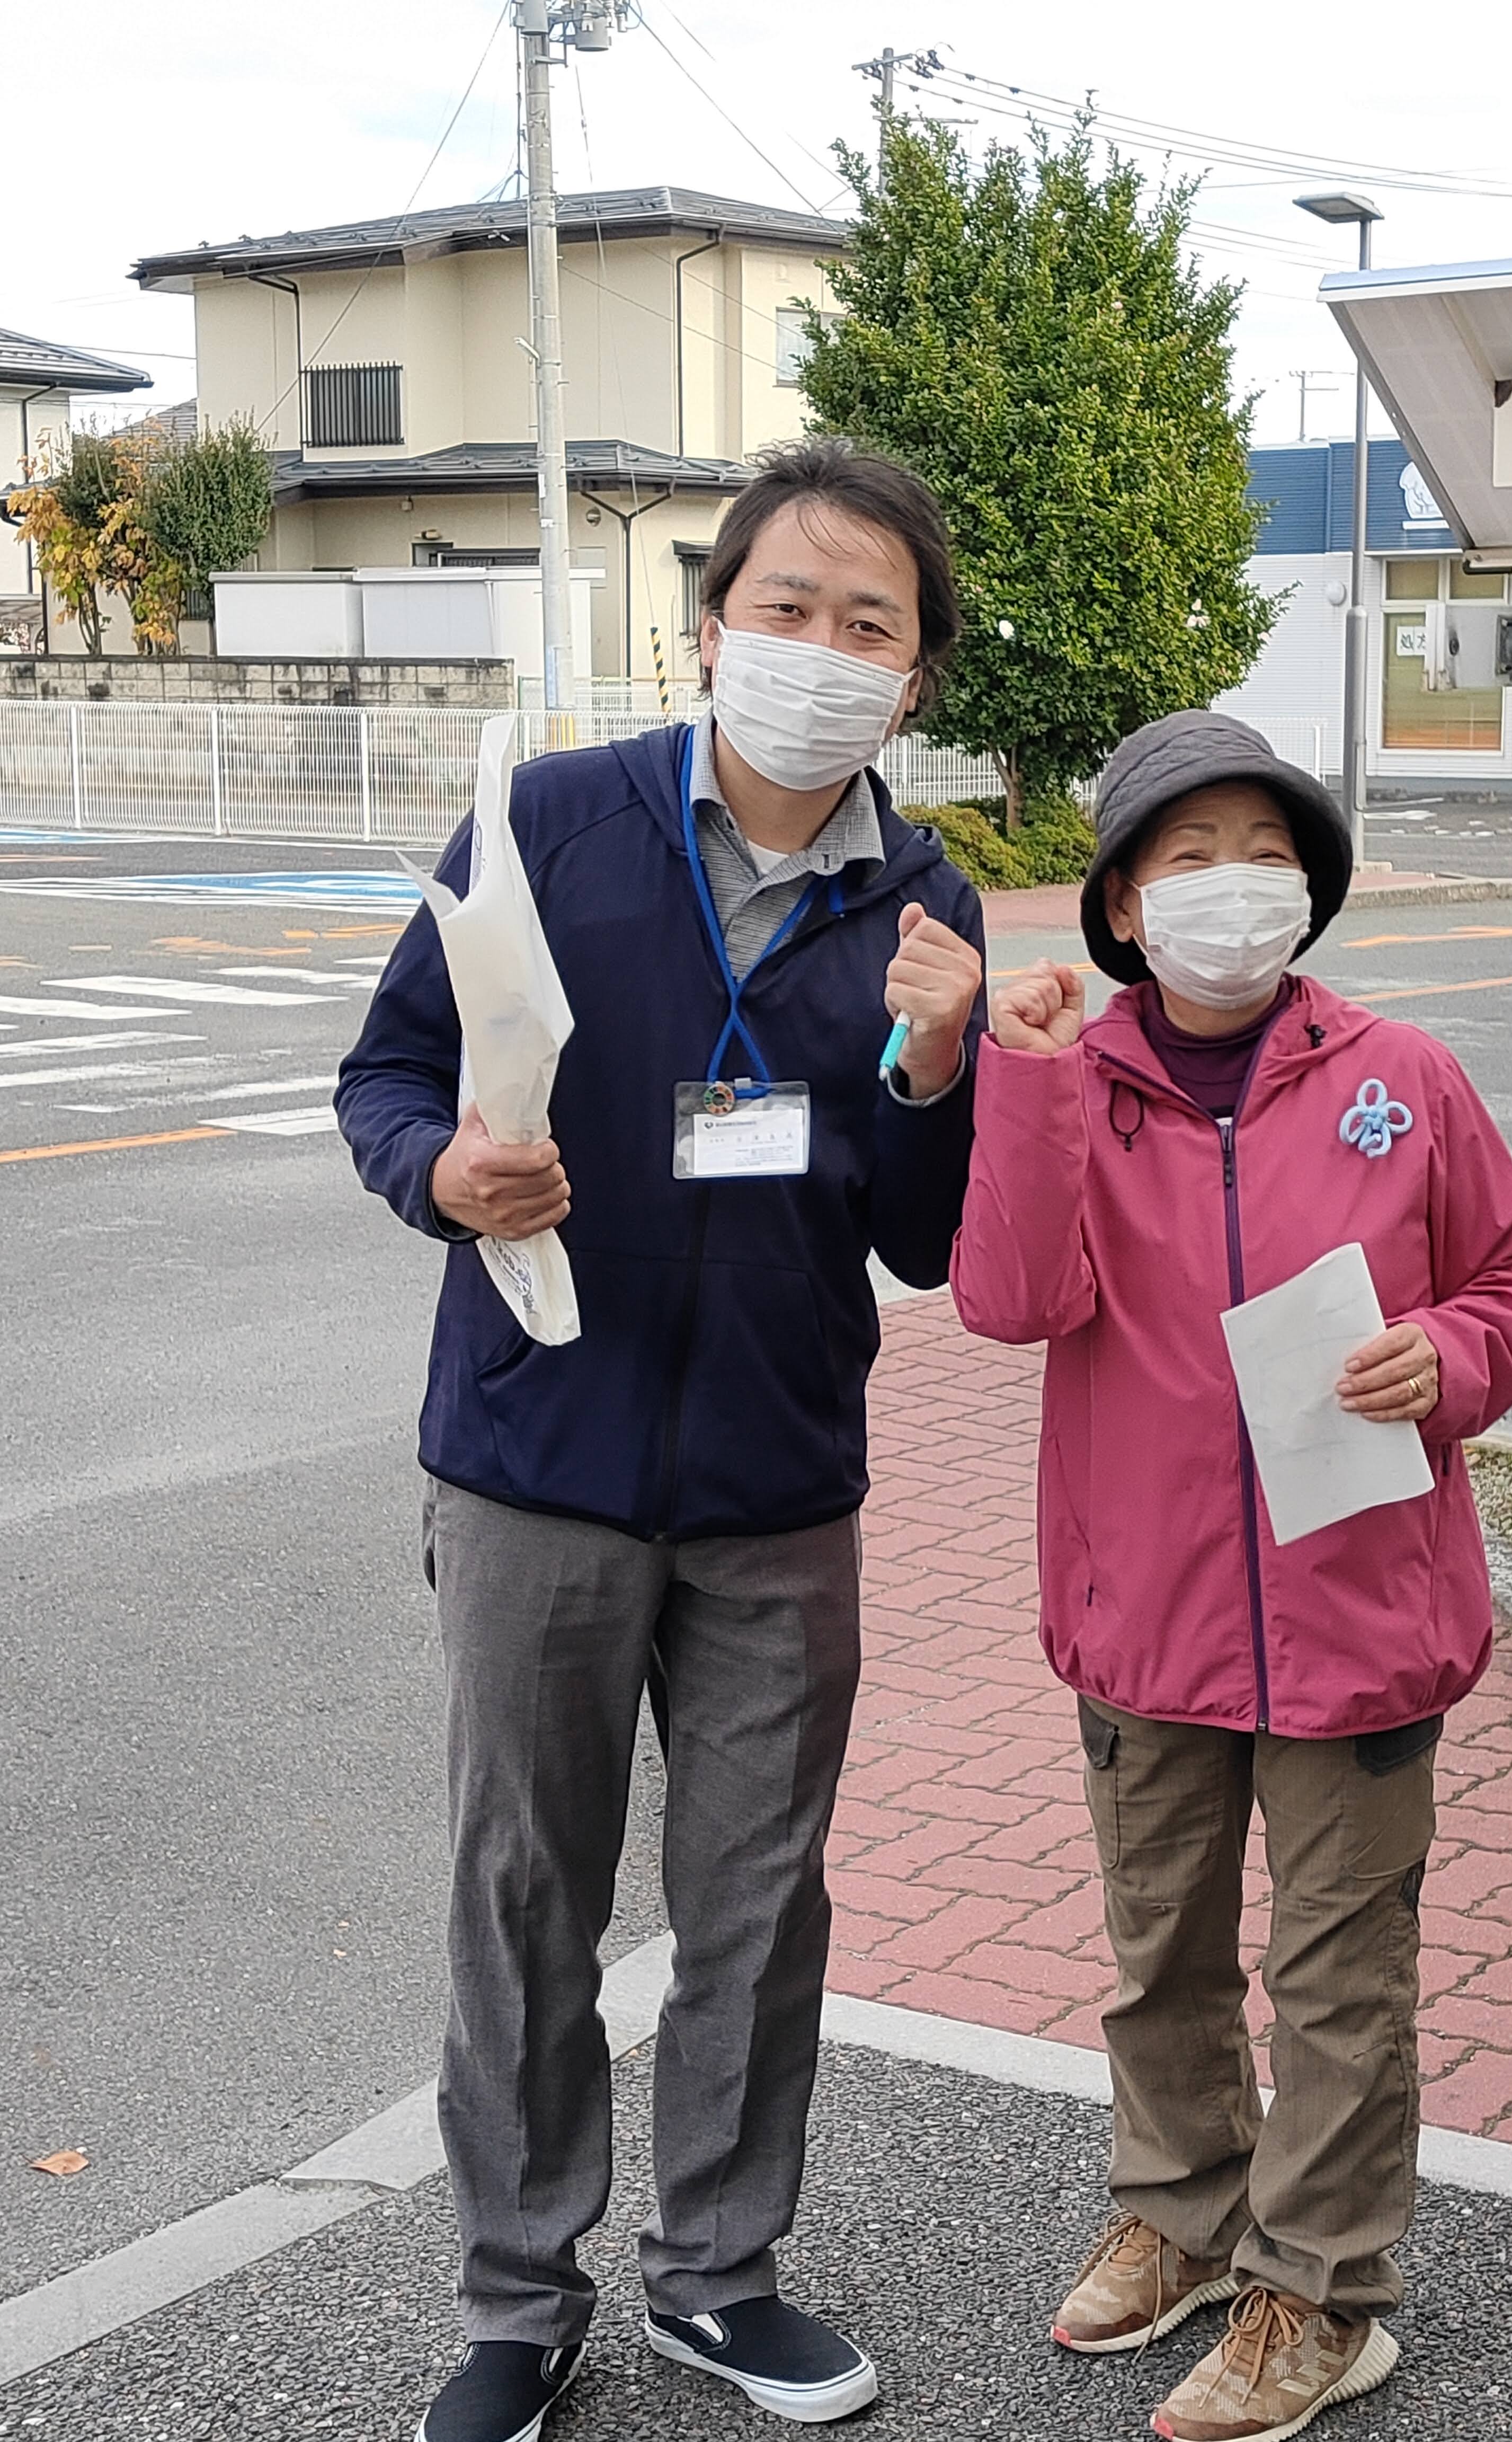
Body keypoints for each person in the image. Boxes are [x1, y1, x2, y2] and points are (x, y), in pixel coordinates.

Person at [336, 437, 985, 2442]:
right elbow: (385, 1078)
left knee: (758, 1904)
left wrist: (941, 1067)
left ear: (914, 682)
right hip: (539, 1459)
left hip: (778, 1488)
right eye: (784, 607)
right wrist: (446, 1170)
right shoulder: (539, 822)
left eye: (864, 624)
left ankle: (718, 2274)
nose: (817, 648)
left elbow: (920, 1233)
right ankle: (518, 2302)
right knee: (525, 1890)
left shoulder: (921, 900)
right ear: (711, 625)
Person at [950, 710, 1512, 2442]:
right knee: (1164, 1954)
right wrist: (1035, 1081)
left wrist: (1446, 1358)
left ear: (1313, 890)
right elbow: (1007, 1297)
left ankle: (1325, 2291)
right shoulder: (1076, 1070)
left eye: (1266, 851)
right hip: (1146, 1611)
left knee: (1345, 1979)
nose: (1235, 885)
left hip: (1359, 1611)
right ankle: (1184, 2216)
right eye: (1188, 856)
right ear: (1125, 908)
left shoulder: (1403, 1080)